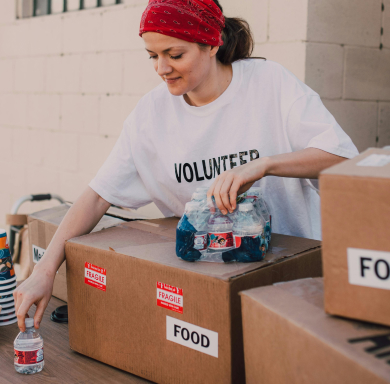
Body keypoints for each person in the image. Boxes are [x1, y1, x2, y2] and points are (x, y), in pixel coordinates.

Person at [14, 0, 358, 331]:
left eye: (174, 54)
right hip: (215, 290)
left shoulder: (269, 83)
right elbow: (96, 196)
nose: (162, 68)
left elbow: (340, 156)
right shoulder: (150, 117)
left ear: (212, 44)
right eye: (153, 55)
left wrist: (262, 165)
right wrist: (44, 271)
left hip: (296, 283)